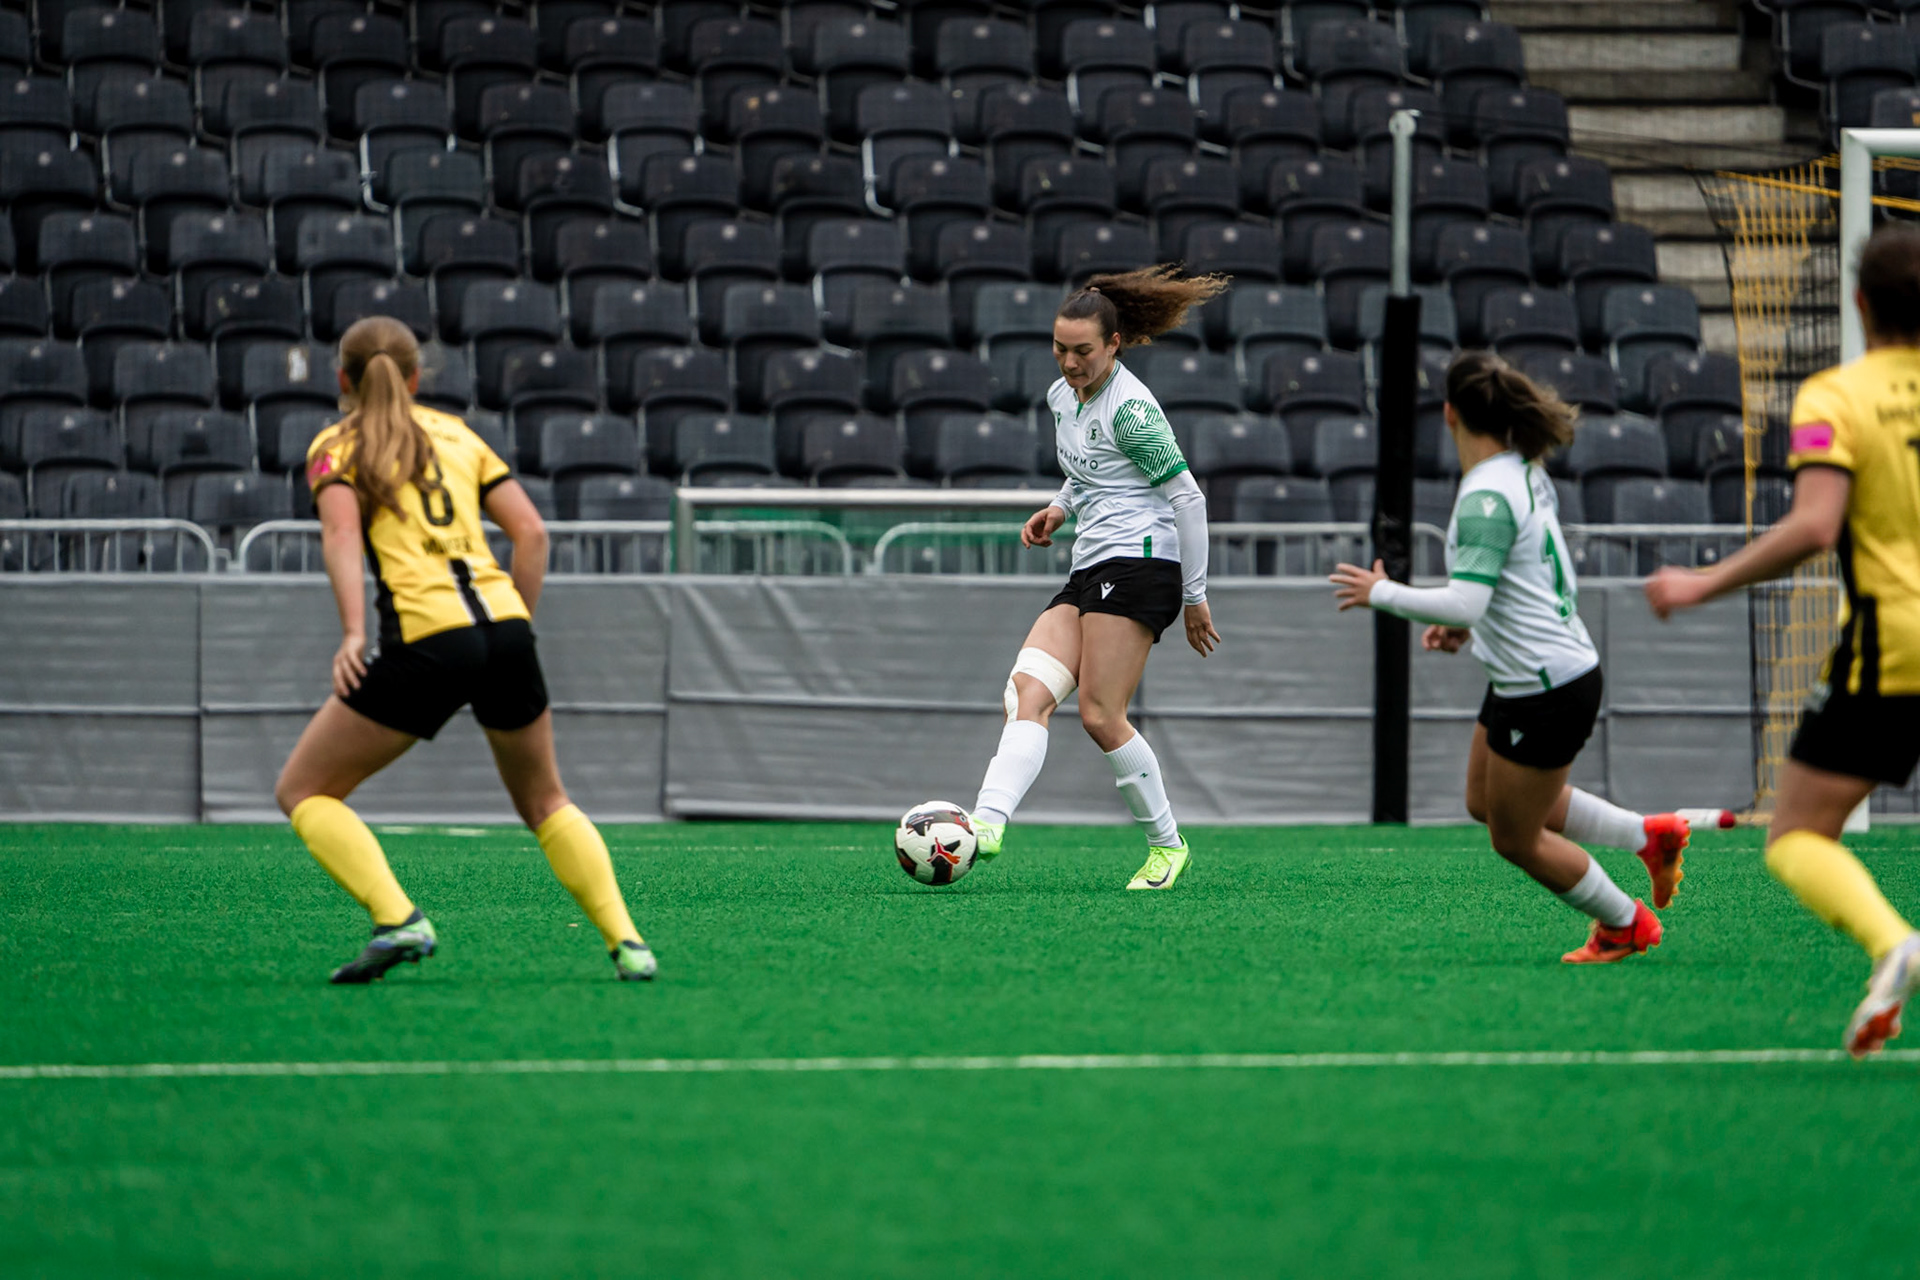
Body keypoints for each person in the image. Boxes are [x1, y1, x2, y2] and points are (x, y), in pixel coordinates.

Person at [273, 316, 657, 985]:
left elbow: (341, 535)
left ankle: (397, 919)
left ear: (343, 379)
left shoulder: (335, 446)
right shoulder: (458, 434)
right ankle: (628, 943)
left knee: (303, 789)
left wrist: (354, 633)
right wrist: (515, 626)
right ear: (415, 377)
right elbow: (531, 534)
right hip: (505, 628)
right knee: (547, 801)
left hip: (429, 637)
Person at [1648, 224, 1920, 1056]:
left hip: (1893, 648)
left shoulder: (1836, 397)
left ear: (1859, 303)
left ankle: (1894, 944)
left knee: (1798, 833)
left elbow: (1814, 526)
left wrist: (1702, 583)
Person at [1331, 351, 1691, 962]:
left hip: (1546, 688)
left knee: (1516, 837)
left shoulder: (1486, 495)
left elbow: (1469, 600)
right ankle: (1646, 836)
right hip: (1532, 676)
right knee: (1483, 799)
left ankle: (1624, 923)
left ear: (1450, 414)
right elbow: (1511, 587)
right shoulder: (1522, 471)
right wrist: (1468, 629)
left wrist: (1381, 592)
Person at [965, 266, 1225, 890]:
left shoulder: (1131, 411)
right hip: (1091, 562)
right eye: (1059, 348)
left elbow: (1188, 499)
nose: (1069, 362)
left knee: (1102, 715)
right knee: (1026, 692)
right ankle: (985, 824)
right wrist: (1060, 507)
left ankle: (1167, 846)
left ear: (1114, 344)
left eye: (1082, 351)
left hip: (1141, 564)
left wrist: (1194, 596)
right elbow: (1089, 471)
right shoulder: (1063, 397)